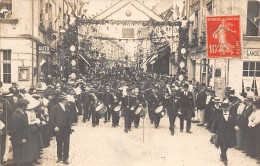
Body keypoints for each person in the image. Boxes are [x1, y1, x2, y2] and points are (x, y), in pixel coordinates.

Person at [50, 93, 72, 165]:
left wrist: (70, 127)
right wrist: (54, 126)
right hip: (58, 129)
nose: (67, 101)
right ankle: (59, 157)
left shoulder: (67, 108)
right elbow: (51, 118)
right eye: (66, 100)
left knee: (66, 144)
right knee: (59, 143)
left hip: (66, 129)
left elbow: (69, 118)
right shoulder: (55, 107)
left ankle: (65, 158)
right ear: (63, 100)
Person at [214, 100, 237, 165]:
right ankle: (225, 159)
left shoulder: (232, 114)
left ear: (229, 107)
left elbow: (235, 121)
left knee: (227, 145)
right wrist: (214, 132)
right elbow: (215, 123)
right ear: (222, 108)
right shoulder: (218, 114)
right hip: (221, 132)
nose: (225, 109)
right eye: (224, 107)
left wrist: (236, 125)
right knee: (223, 145)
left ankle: (222, 155)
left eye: (226, 107)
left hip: (230, 133)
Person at [10, 98, 30, 166]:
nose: (27, 107)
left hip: (20, 138)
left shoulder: (21, 113)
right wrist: (22, 138)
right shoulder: (18, 115)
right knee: (18, 155)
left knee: (21, 155)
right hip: (18, 139)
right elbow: (16, 130)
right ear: (22, 106)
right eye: (26, 106)